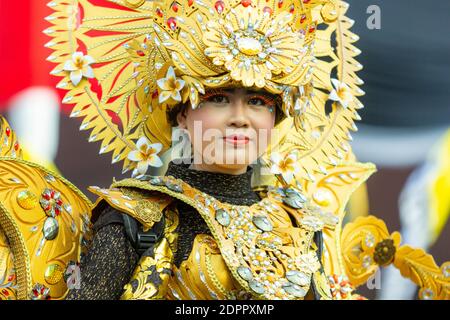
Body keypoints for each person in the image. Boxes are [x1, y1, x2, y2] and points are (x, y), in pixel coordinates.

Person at [0, 0, 448, 300]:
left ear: (278, 119)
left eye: (258, 101)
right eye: (218, 98)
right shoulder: (139, 220)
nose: (241, 117)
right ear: (178, 113)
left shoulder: (303, 224)